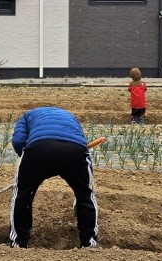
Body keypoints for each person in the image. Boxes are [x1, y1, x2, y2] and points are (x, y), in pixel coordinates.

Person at [8, 106, 99, 249]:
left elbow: (19, 141)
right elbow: (82, 145)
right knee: (85, 195)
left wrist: (27, 167)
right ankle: (89, 243)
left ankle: (19, 243)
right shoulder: (70, 117)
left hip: (39, 149)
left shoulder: (26, 116)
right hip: (74, 151)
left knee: (23, 195)